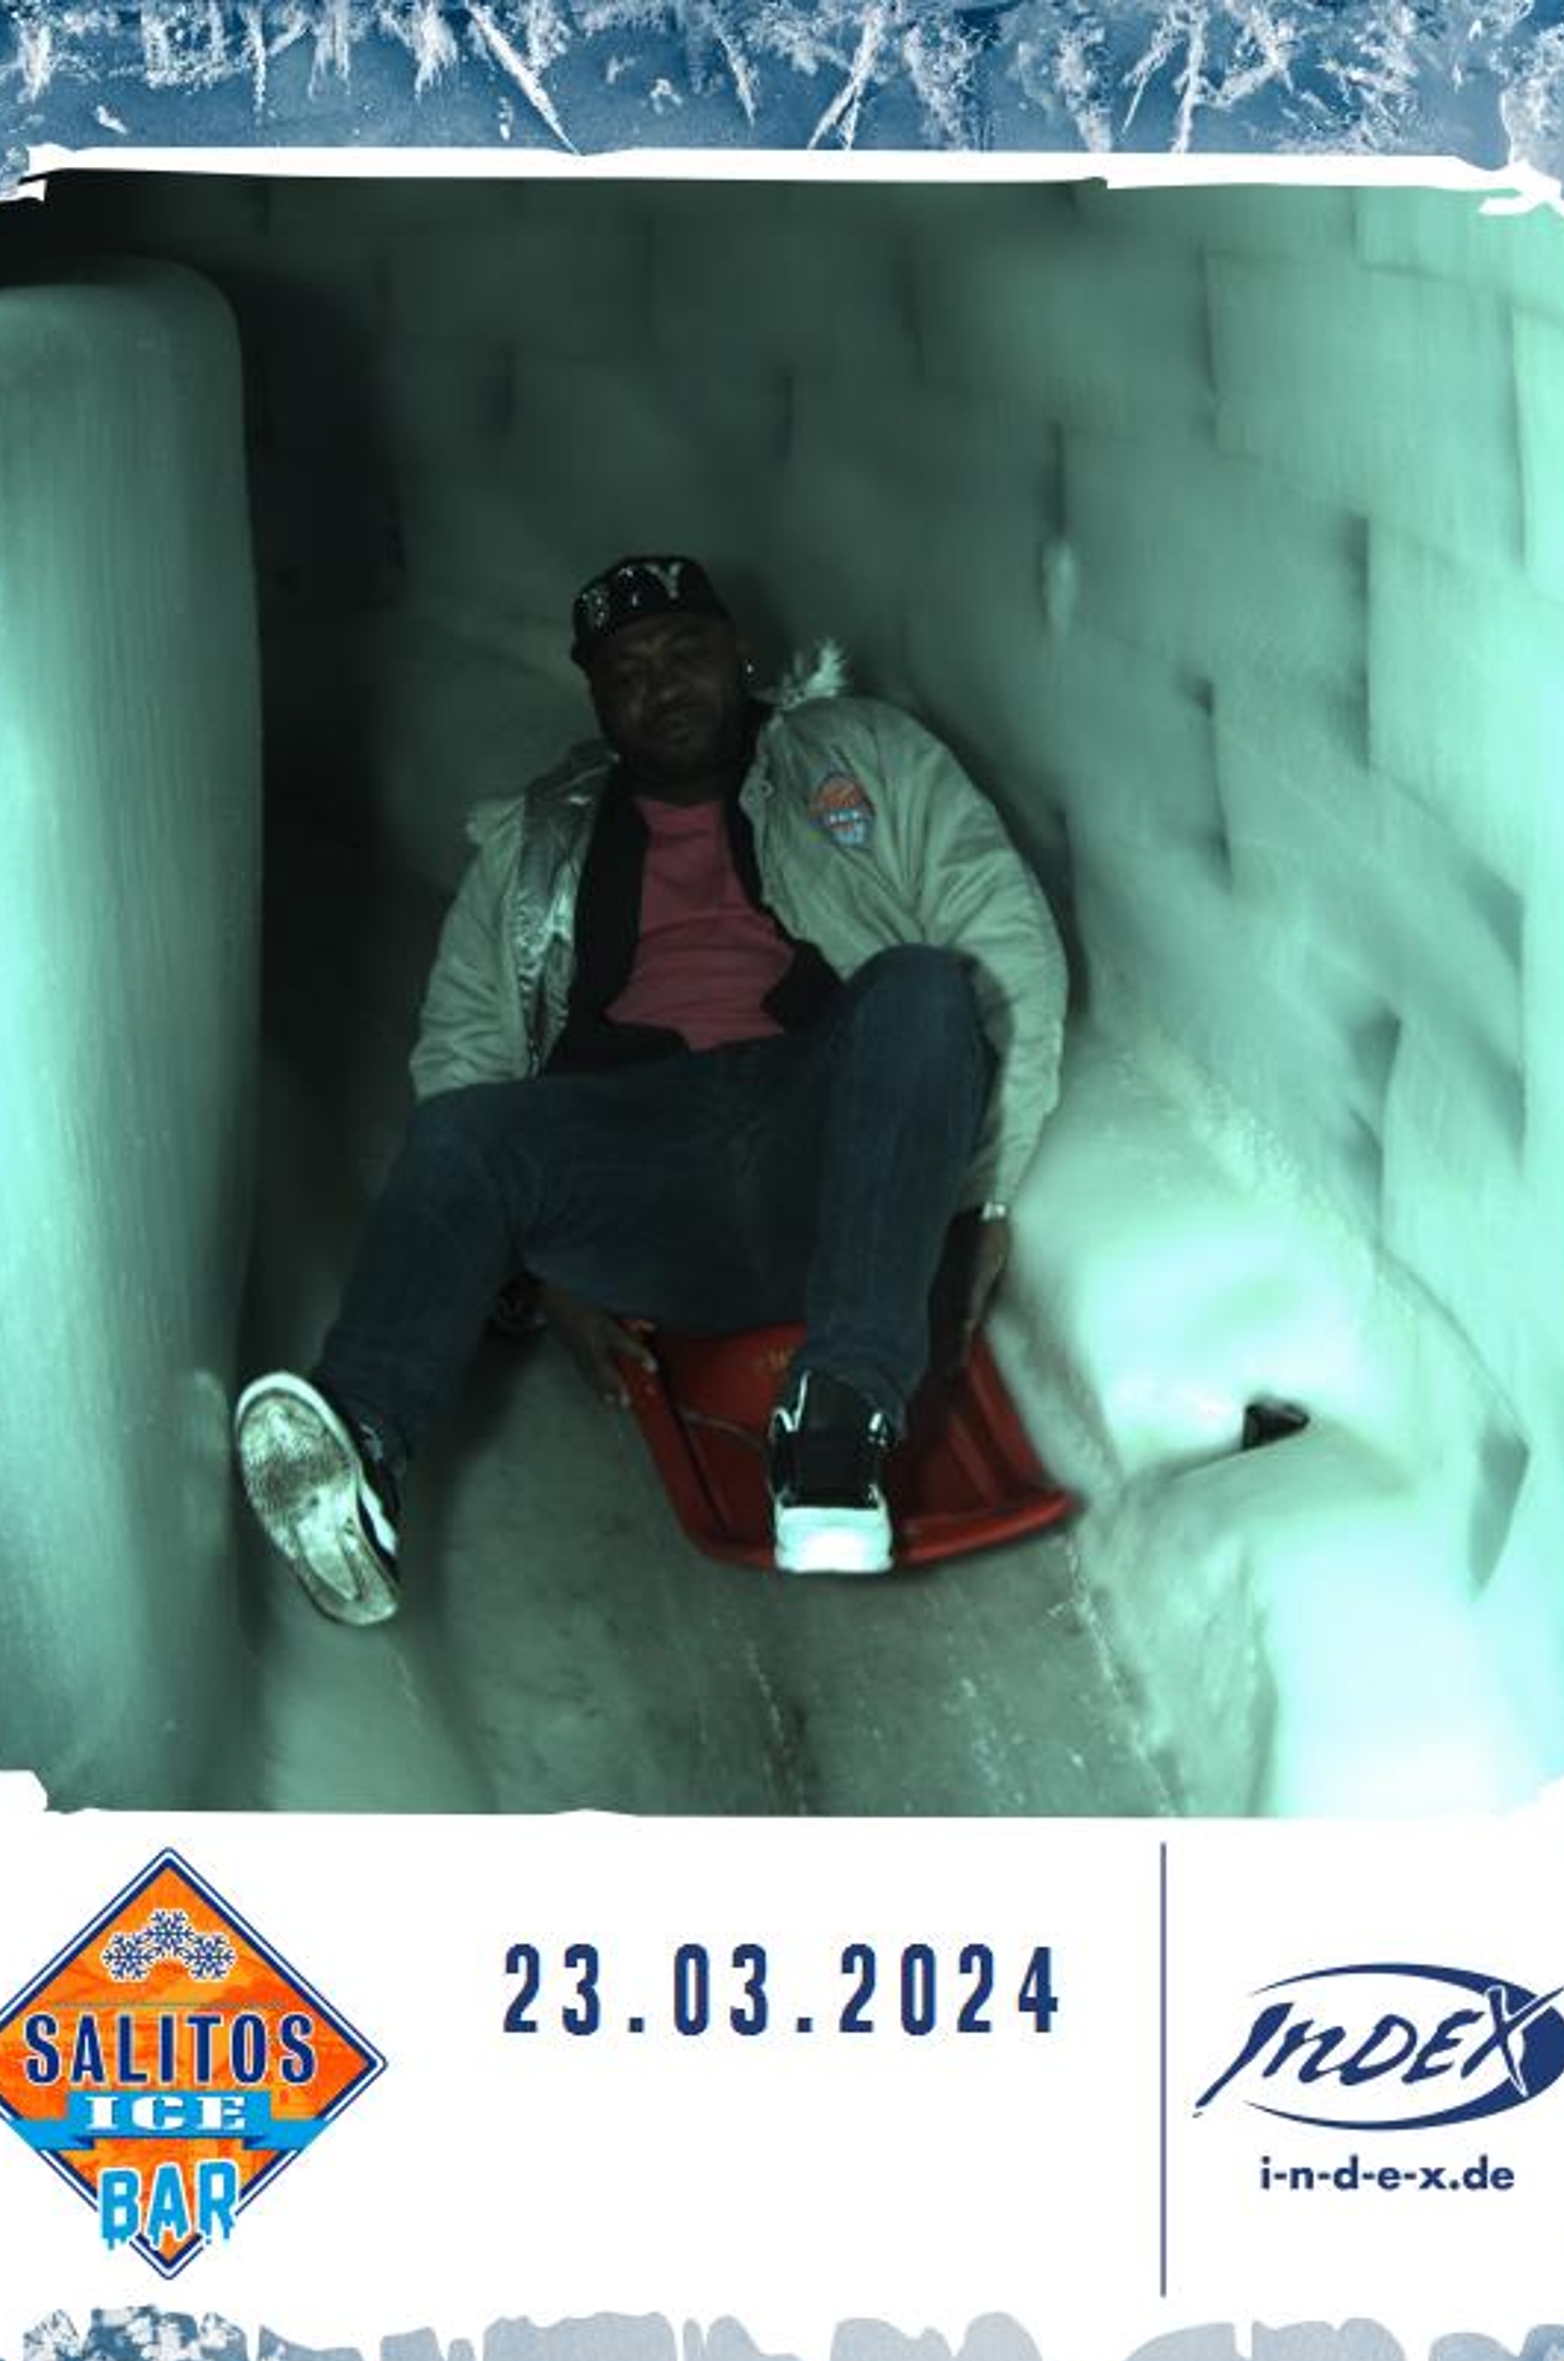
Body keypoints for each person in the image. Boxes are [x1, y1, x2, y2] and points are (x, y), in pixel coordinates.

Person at [235, 552, 1067, 1622]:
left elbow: (1005, 941)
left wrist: (976, 1197)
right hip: (639, 1169)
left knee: (920, 986)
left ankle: (835, 1424)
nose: (661, 686)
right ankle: (359, 1451)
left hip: (823, 1140)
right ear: (595, 698)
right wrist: (535, 1267)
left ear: (739, 652)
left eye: (683, 652)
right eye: (625, 673)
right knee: (460, 1129)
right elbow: (464, 1050)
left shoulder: (864, 757)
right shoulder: (540, 841)